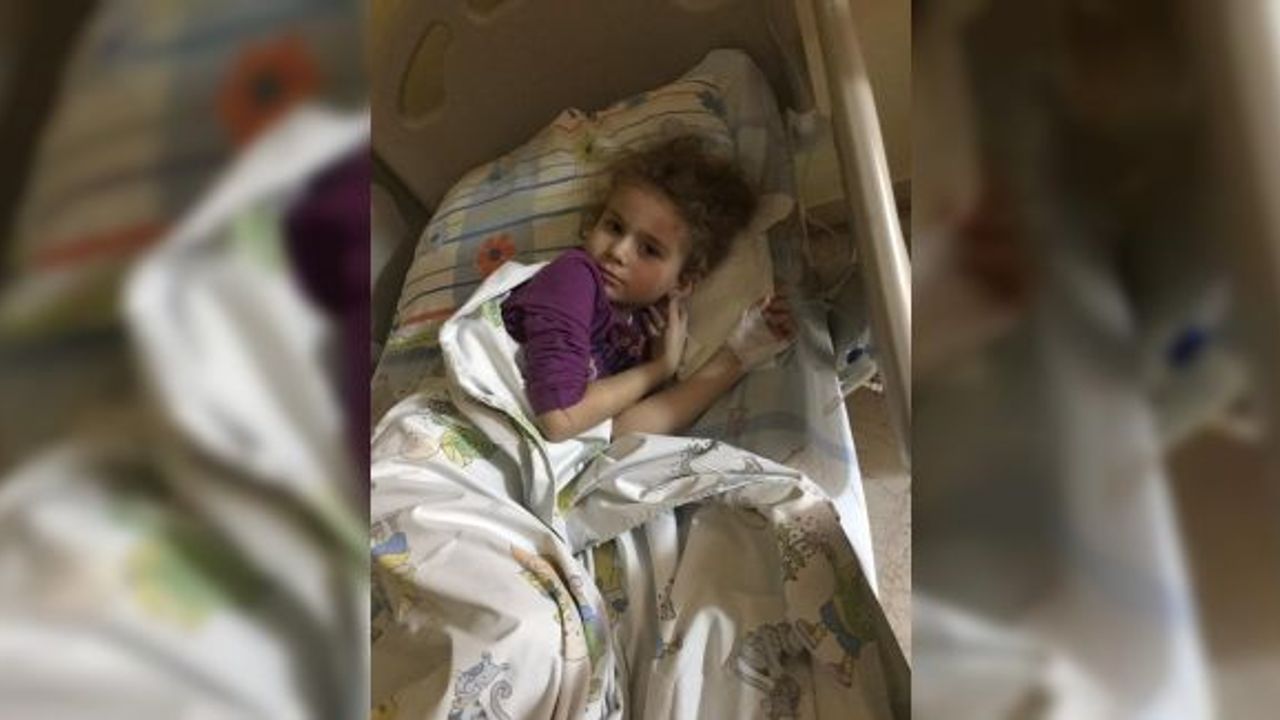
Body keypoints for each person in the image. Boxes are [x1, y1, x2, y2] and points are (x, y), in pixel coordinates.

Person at [499, 135, 796, 442]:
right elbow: (561, 418)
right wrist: (659, 369)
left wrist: (738, 355)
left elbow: (621, 434)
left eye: (649, 250)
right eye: (614, 227)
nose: (618, 251)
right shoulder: (573, 278)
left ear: (682, 282)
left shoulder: (644, 331)